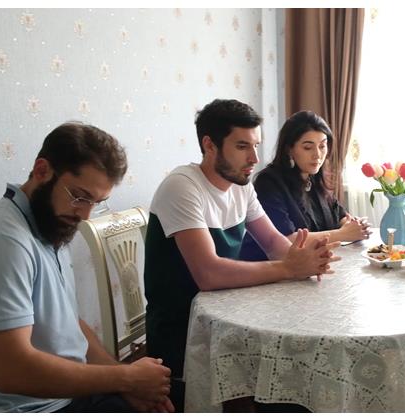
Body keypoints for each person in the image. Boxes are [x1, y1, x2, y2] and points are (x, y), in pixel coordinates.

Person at [0, 122, 174, 413]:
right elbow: (10, 370)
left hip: (69, 396)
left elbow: (70, 323)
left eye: (96, 202)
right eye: (80, 196)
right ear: (42, 171)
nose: (85, 215)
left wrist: (123, 382)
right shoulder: (2, 242)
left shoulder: (48, 223)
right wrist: (126, 378)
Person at [144, 99, 341, 412]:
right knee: (287, 378)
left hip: (231, 311)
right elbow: (209, 274)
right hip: (184, 328)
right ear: (209, 145)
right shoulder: (182, 187)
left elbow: (274, 243)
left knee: (300, 371)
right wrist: (289, 268)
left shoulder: (241, 185)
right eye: (242, 146)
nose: (254, 158)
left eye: (256, 146)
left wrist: (303, 259)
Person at [239, 110, 370, 261]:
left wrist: (354, 226)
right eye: (308, 147)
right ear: (289, 149)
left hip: (306, 266)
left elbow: (340, 216)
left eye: (322, 146)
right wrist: (343, 234)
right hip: (266, 267)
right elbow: (285, 240)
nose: (317, 155)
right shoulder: (268, 182)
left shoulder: (314, 177)